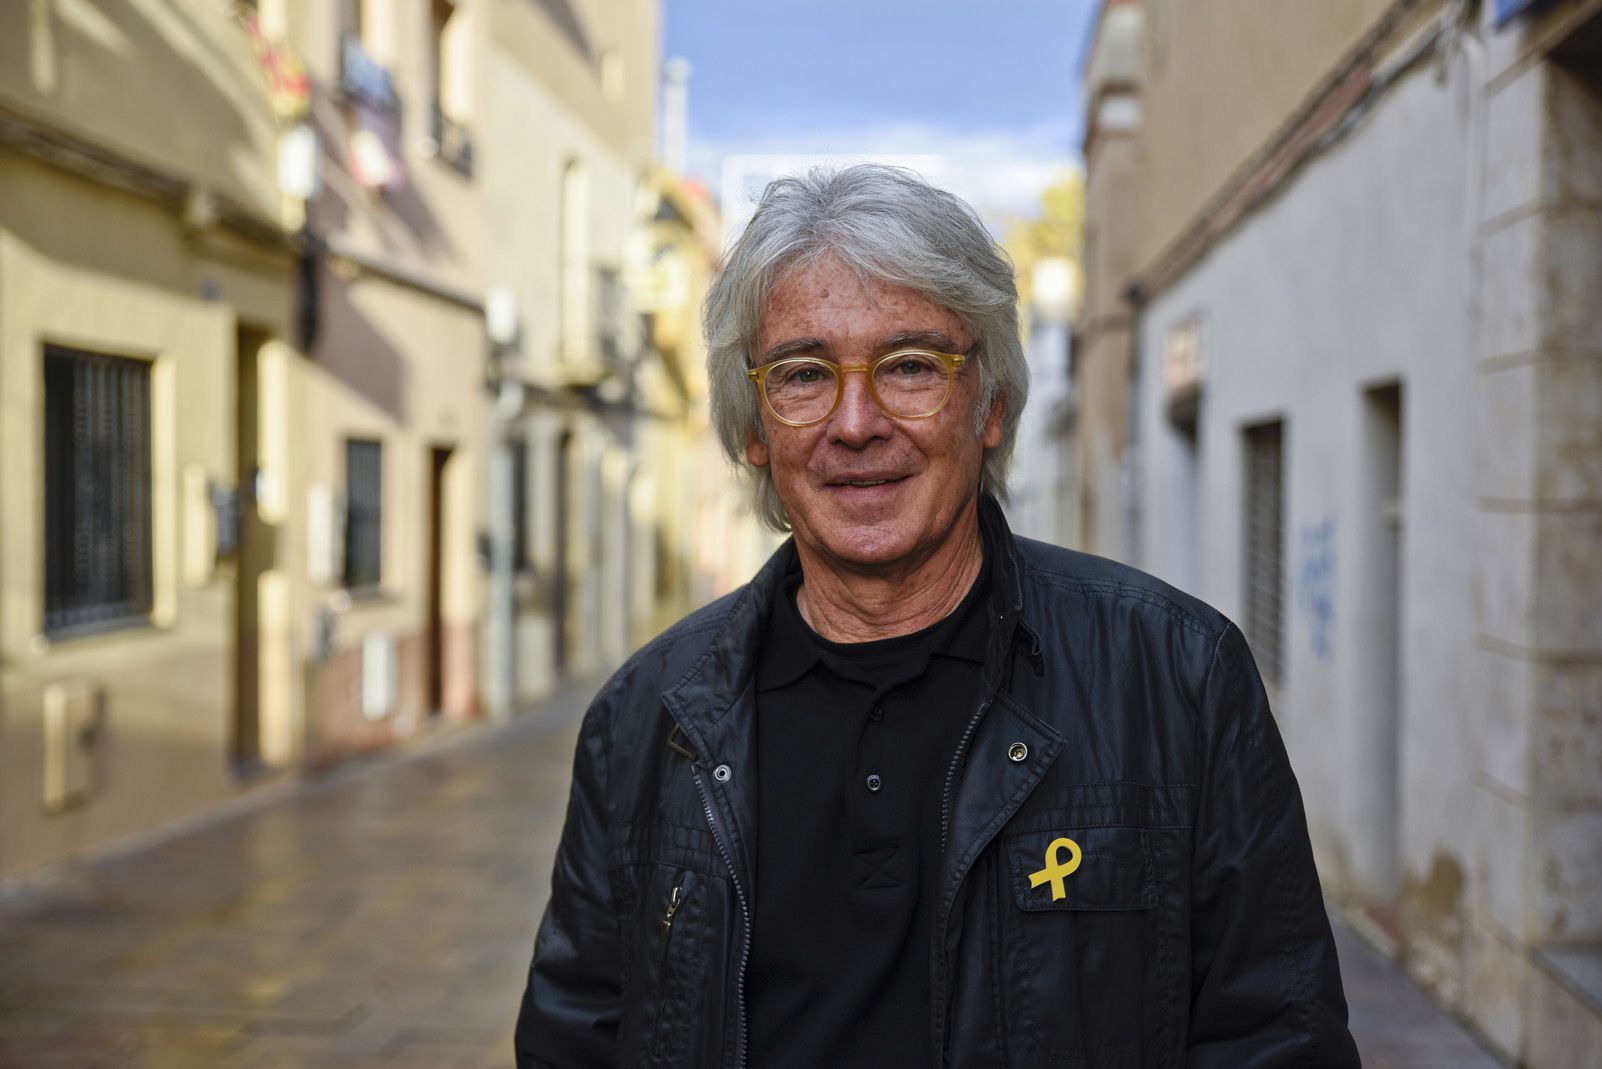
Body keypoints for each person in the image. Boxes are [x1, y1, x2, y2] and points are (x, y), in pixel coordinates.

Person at [514, 164, 1360, 1068]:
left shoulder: (1179, 679)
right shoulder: (646, 720)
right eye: (803, 374)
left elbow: (1279, 1039)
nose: (855, 422)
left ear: (990, 405)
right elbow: (574, 1039)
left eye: (911, 366)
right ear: (754, 429)